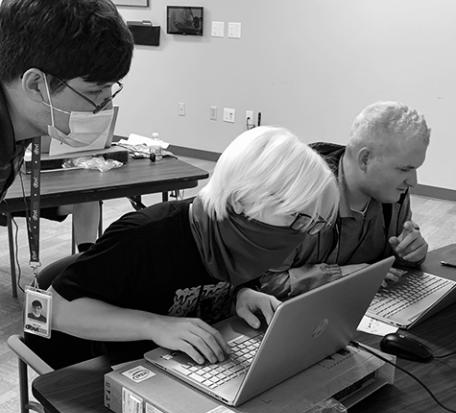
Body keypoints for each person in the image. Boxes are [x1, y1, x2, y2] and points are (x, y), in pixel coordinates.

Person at [0, 0, 134, 413]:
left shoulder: (12, 108)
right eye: (95, 93)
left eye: (111, 91)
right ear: (34, 83)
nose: (104, 107)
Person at [39, 126, 339, 370]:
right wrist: (156, 326)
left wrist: (242, 294)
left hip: (188, 365)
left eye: (313, 224)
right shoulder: (143, 237)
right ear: (239, 200)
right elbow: (52, 310)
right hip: (119, 368)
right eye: (296, 217)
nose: (302, 235)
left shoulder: (238, 242)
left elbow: (216, 282)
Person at [260, 101, 430, 299]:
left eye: (415, 169)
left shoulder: (394, 193)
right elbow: (259, 282)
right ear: (365, 159)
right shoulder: (298, 196)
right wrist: (338, 276)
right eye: (404, 169)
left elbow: (395, 264)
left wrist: (411, 254)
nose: (413, 182)